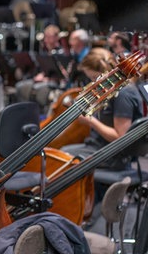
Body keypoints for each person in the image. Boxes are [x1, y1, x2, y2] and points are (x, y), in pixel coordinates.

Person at [61, 47, 143, 199]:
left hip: (112, 156)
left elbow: (120, 137)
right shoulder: (111, 89)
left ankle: (81, 206)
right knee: (62, 151)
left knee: (61, 158)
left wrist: (90, 121)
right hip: (98, 146)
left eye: (93, 78)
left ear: (102, 74)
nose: (93, 83)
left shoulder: (123, 94)